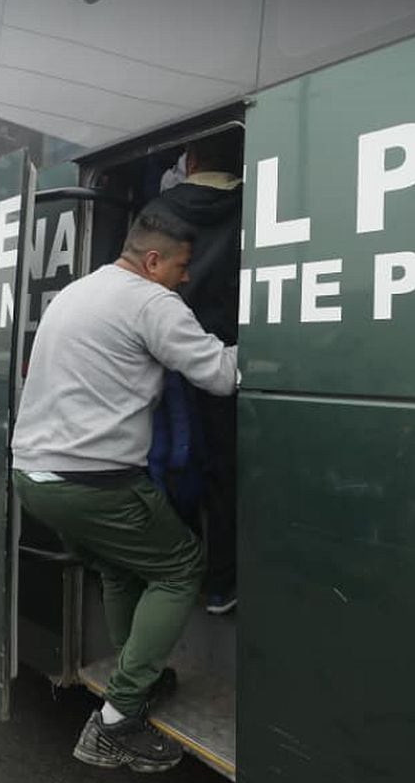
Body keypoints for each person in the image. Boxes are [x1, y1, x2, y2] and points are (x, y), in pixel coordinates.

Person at [11, 204, 237, 772]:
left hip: (34, 476)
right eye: (183, 266)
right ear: (154, 260)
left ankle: (137, 676)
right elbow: (219, 374)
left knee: (119, 567)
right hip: (95, 482)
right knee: (181, 567)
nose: (187, 278)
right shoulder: (152, 302)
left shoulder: (78, 291)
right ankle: (116, 721)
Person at [154, 132, 243, 613]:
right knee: (226, 475)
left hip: (170, 363)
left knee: (173, 465)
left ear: (189, 160)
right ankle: (221, 584)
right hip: (229, 359)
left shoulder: (158, 211)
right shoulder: (258, 201)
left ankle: (176, 571)